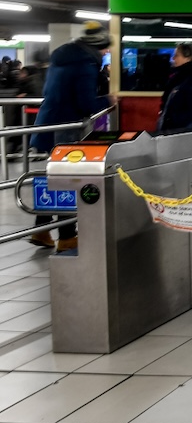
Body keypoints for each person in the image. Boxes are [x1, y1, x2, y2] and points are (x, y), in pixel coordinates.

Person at [30, 21, 114, 252]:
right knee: (68, 179)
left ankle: (41, 229)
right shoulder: (85, 64)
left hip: (47, 123)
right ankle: (67, 235)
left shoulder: (61, 58)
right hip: (66, 128)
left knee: (55, 177)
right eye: (105, 48)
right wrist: (109, 100)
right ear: (97, 45)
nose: (106, 52)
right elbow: (85, 103)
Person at [156, 42, 192, 131]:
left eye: (177, 55)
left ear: (188, 57)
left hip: (183, 133)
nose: (173, 58)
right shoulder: (177, 78)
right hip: (170, 131)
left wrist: (171, 120)